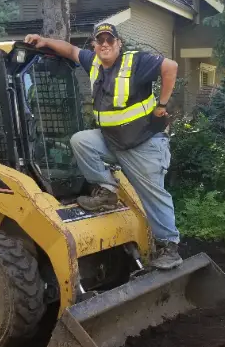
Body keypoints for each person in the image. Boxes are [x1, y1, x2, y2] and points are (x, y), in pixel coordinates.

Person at [24, 23, 182, 270]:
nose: (105, 44)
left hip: (143, 144)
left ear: (119, 43)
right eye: (100, 40)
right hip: (113, 142)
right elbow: (70, 50)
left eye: (110, 40)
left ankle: (169, 247)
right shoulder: (94, 63)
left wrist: (162, 105)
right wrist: (44, 41)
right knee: (81, 141)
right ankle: (107, 191)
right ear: (95, 45)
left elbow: (170, 67)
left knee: (153, 196)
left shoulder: (135, 62)